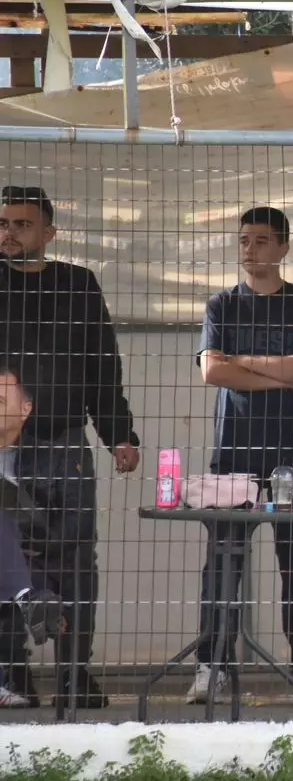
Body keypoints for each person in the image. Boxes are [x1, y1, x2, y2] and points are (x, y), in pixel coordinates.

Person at [189, 207, 293, 706]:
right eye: (244, 240)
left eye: (261, 240)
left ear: (283, 247)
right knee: (223, 561)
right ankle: (212, 667)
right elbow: (212, 372)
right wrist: (277, 373)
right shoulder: (222, 305)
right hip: (233, 448)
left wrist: (242, 362)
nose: (250, 249)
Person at [0, 184, 140, 710]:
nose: (9, 233)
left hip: (65, 445)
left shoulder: (77, 285)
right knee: (7, 560)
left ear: (49, 232)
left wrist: (118, 433)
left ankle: (74, 675)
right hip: (4, 448)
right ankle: (12, 675)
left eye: (21, 224)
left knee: (77, 561)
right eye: (3, 223)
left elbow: (102, 364)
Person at [0, 364, 67, 709]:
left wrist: (35, 543)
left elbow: (73, 525)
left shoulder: (48, 458)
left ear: (25, 408)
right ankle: (28, 598)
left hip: (33, 554)